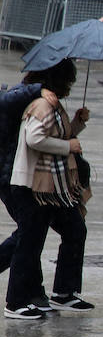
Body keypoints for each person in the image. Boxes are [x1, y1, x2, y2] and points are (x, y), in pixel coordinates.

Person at [4, 60, 93, 320]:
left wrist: (76, 123)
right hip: (34, 184)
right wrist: (69, 147)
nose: (71, 87)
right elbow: (35, 138)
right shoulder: (43, 104)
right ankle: (16, 301)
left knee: (74, 229)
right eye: (69, 82)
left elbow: (59, 134)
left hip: (52, 185)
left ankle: (64, 292)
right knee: (29, 240)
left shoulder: (53, 104)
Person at [0, 80, 45, 312]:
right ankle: (19, 299)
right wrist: (39, 89)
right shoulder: (17, 96)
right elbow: (6, 100)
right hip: (10, 177)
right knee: (28, 234)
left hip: (19, 177)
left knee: (31, 233)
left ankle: (35, 291)